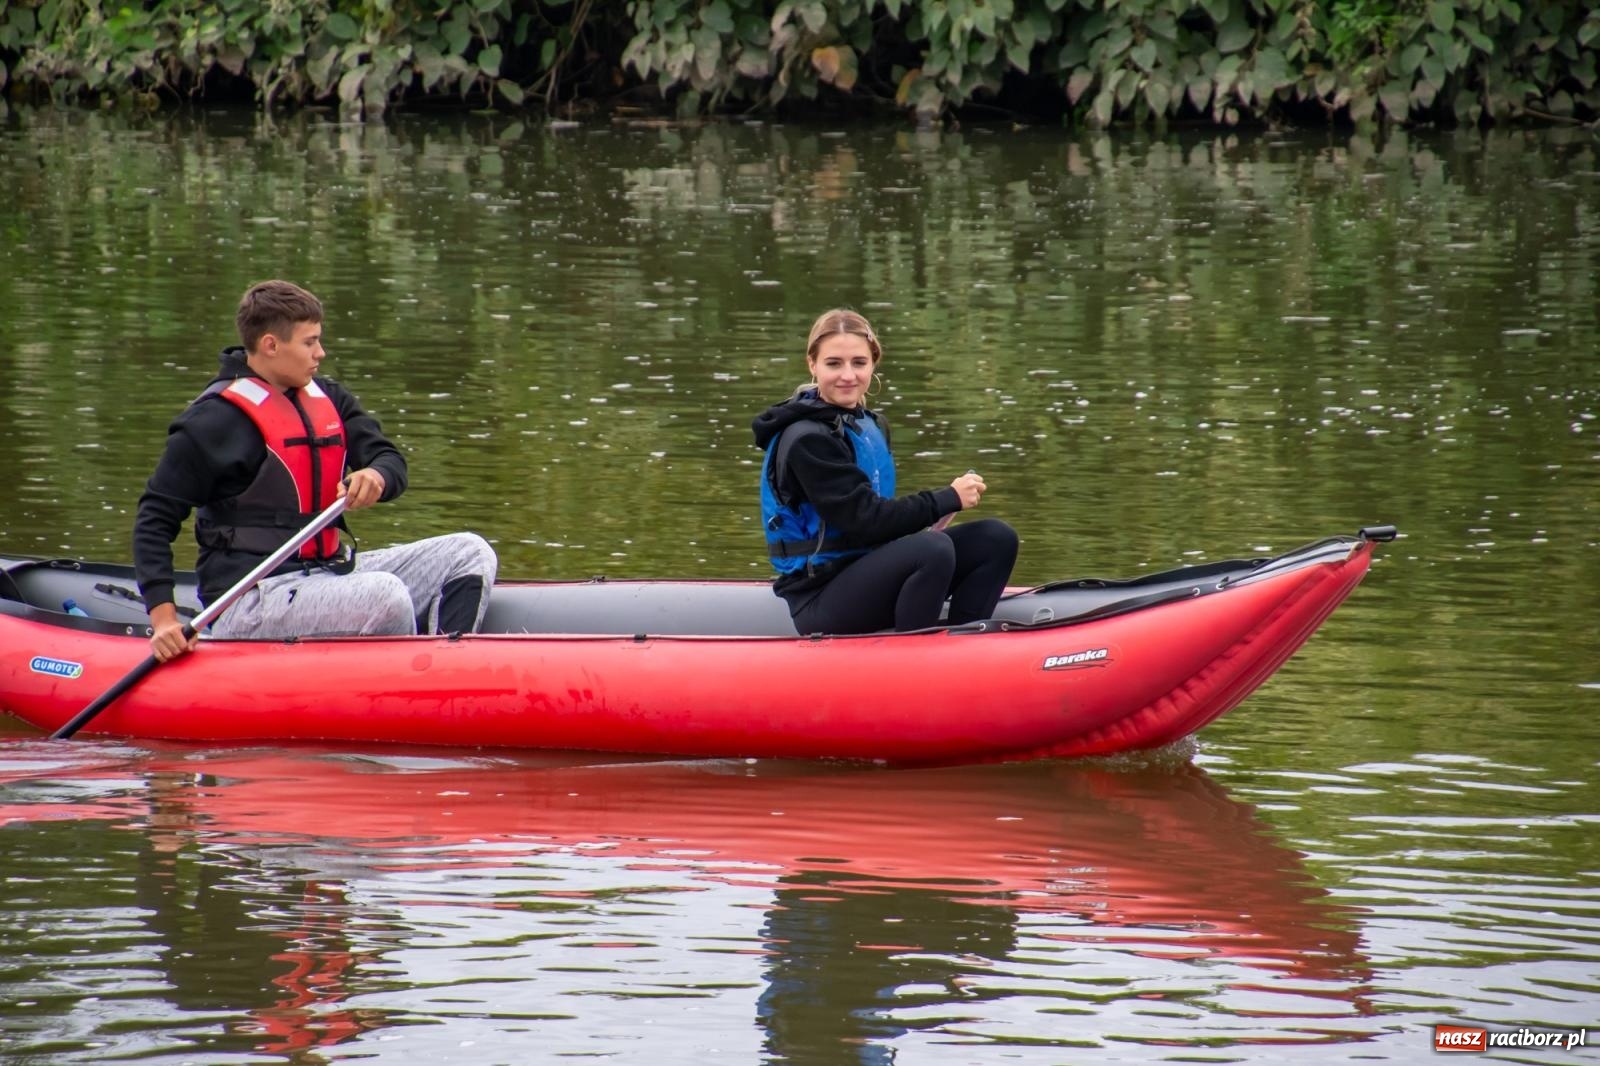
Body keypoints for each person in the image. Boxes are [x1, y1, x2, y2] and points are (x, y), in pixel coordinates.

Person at [133, 280, 498, 661]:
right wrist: (163, 620)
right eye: (309, 342)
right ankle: (412, 688)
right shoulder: (212, 421)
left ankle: (449, 669)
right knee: (384, 594)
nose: (320, 353)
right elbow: (154, 519)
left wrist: (376, 476)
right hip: (253, 599)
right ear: (271, 345)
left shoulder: (328, 398)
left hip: (331, 572)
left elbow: (389, 459)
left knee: (469, 552)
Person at [752, 308, 1018, 634]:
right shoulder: (808, 439)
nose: (847, 375)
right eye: (834, 363)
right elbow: (865, 521)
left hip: (865, 572)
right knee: (931, 551)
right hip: (819, 596)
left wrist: (935, 512)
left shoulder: (867, 424)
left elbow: (875, 523)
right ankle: (912, 659)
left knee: (995, 538)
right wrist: (946, 498)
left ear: (873, 363)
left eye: (859, 363)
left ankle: (964, 642)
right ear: (813, 364)